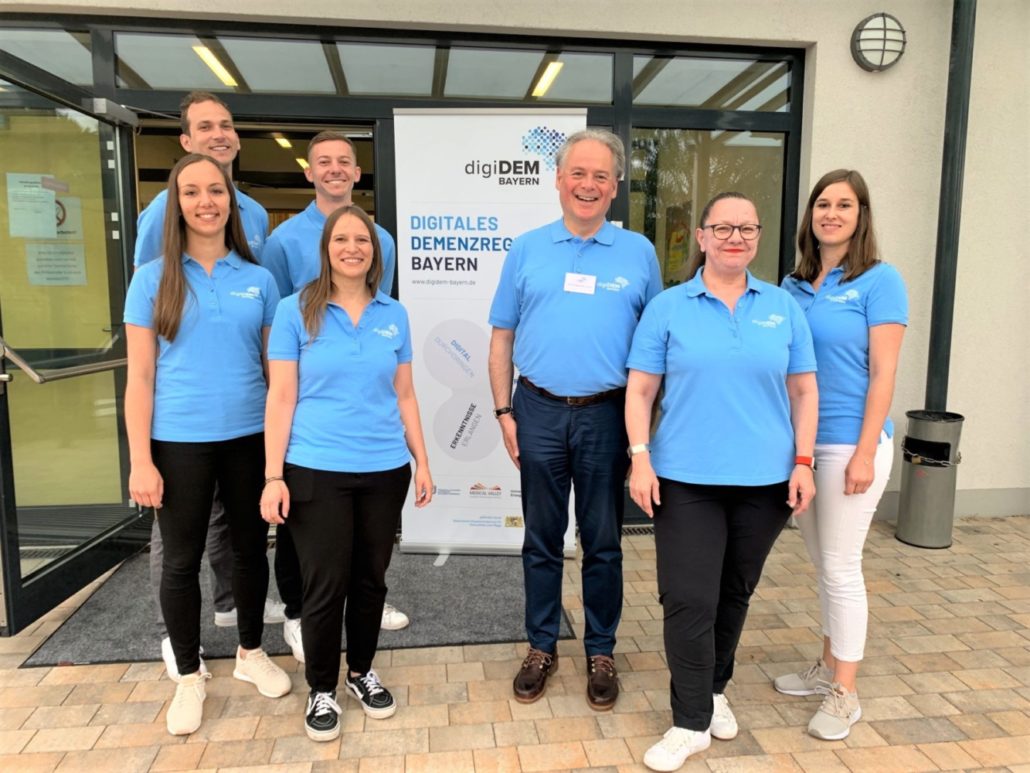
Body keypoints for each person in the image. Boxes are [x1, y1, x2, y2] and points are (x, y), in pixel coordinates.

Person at [625, 191, 818, 771]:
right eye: (723, 228)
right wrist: (640, 456)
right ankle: (689, 724)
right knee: (688, 596)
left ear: (758, 238)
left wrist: (804, 461)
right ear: (702, 237)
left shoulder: (783, 307)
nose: (736, 238)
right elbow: (640, 390)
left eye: (747, 229)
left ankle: (711, 692)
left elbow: (804, 390)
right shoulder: (668, 307)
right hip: (686, 478)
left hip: (765, 482)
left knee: (733, 591)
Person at [488, 129, 663, 710]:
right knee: (540, 539)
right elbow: (501, 337)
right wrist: (503, 411)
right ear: (558, 180)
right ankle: (541, 644)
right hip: (535, 409)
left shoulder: (639, 253)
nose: (588, 185)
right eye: (578, 174)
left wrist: (647, 426)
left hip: (607, 416)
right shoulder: (527, 249)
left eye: (600, 176)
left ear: (615, 187)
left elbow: (657, 346)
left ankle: (601, 649)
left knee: (603, 542)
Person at [125, 154, 292, 737]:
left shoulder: (259, 279)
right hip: (178, 442)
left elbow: (277, 375)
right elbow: (140, 378)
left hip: (248, 438)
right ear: (177, 204)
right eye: (192, 192)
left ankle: (249, 654)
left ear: (230, 200)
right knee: (180, 560)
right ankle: (190, 674)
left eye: (215, 190)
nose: (205, 201)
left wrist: (282, 453)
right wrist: (140, 459)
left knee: (250, 552)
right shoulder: (152, 280)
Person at [261, 204, 432, 742]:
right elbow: (281, 396)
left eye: (363, 239)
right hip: (315, 470)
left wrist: (422, 460)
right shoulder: (295, 311)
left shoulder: (393, 314)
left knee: (370, 580)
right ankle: (321, 688)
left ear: (375, 251)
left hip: (385, 469)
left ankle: (360, 672)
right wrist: (272, 475)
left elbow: (404, 393)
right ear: (326, 249)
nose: (352, 247)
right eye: (342, 239)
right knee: (324, 584)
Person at [775, 170, 908, 740]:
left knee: (841, 565)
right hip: (805, 445)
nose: (831, 213)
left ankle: (845, 692)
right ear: (811, 216)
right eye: (822, 204)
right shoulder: (792, 285)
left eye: (844, 205)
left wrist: (863, 452)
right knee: (823, 564)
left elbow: (884, 373)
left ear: (862, 214)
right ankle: (827, 666)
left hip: (850, 443)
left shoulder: (880, 281)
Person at [260, 130, 407, 640]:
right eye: (324, 162)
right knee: (306, 539)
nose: (335, 169)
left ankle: (362, 604)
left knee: (364, 551)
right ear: (309, 172)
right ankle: (300, 612)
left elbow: (372, 318)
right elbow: (275, 321)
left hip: (368, 430)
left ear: (357, 172)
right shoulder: (282, 241)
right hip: (307, 409)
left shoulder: (380, 238)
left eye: (344, 161)